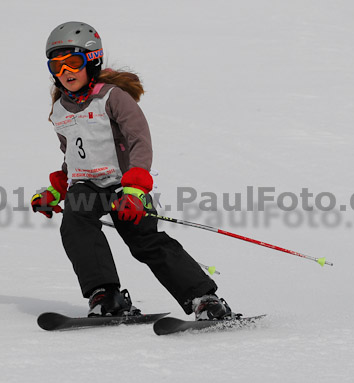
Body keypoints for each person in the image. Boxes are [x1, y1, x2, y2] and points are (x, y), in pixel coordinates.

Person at [31, 21, 234, 320]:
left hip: (124, 186)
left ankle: (204, 299)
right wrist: (55, 190)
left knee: (146, 242)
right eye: (56, 66)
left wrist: (136, 190)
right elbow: (72, 157)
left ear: (92, 60)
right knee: (76, 225)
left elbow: (140, 140)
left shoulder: (112, 97)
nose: (65, 72)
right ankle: (106, 295)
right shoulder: (60, 108)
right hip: (86, 186)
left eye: (72, 63)